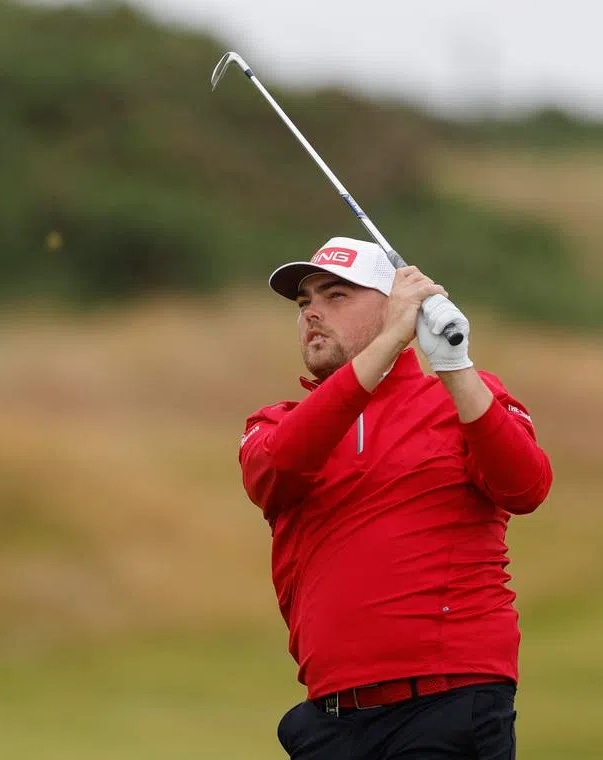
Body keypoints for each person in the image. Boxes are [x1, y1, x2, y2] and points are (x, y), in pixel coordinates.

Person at [237, 237, 553, 759]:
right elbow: (278, 467)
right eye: (304, 303)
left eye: (336, 296)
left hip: (448, 704)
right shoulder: (276, 423)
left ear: (394, 307)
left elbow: (526, 487)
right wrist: (389, 341)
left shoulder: (464, 398)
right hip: (332, 722)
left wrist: (454, 363)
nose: (312, 312)